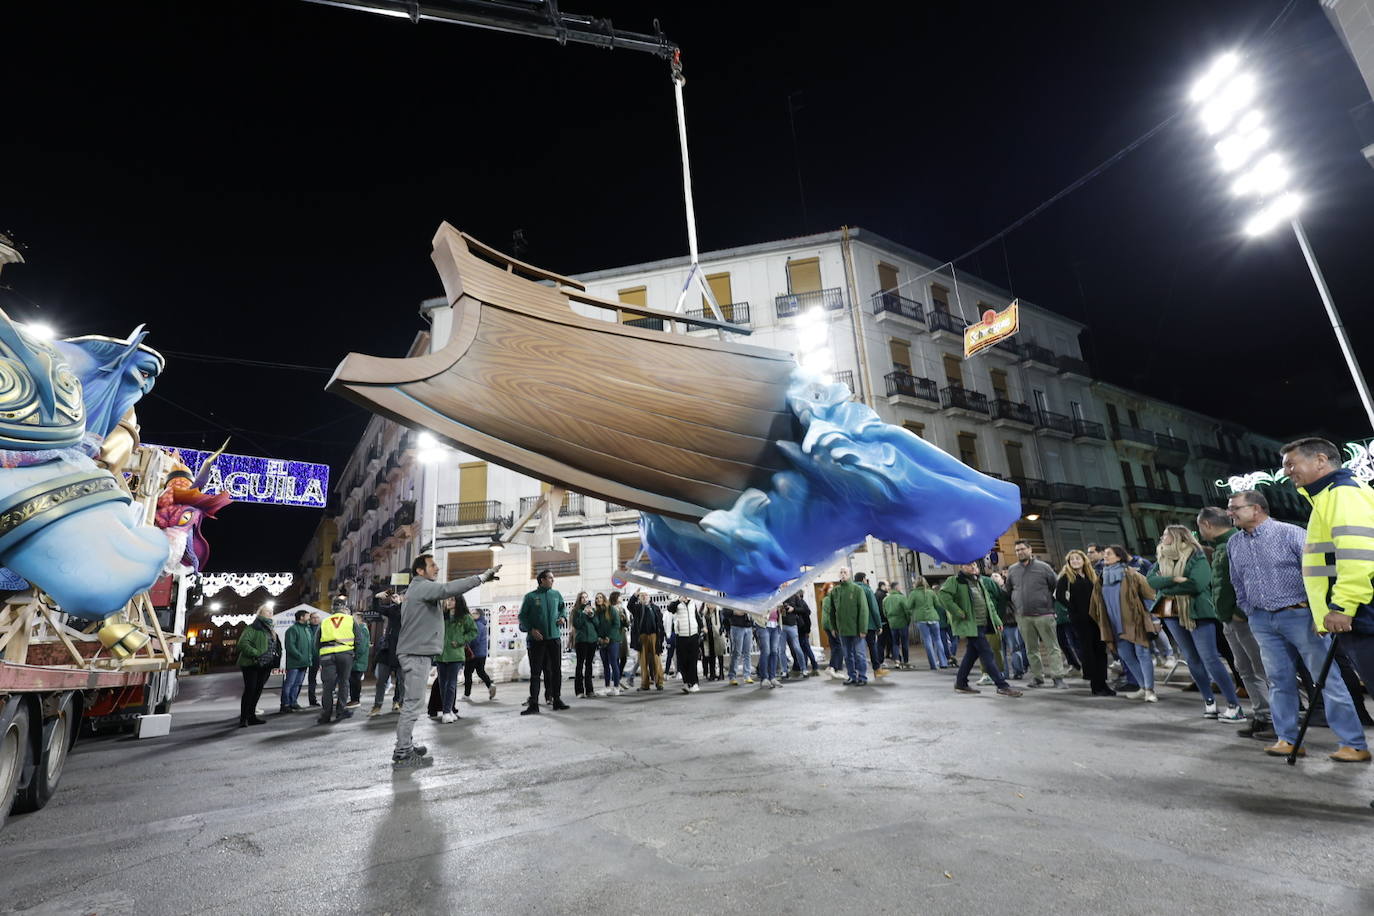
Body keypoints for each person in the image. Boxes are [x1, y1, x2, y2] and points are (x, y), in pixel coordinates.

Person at [1227, 484, 1369, 760]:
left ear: (1256, 509)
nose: (1229, 512)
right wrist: (1249, 609)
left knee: (1326, 679)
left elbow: (1322, 573)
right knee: (1278, 681)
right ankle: (1288, 739)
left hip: (1300, 615)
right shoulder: (1235, 543)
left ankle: (1353, 744)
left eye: (1235, 508)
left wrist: (1320, 611)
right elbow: (1237, 581)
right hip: (1262, 620)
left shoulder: (1291, 534)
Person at [1280, 439, 1374, 761]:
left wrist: (1342, 608)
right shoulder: (1329, 497)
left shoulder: (1341, 495)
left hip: (1363, 611)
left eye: (1292, 464)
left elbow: (1358, 556)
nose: (1287, 471)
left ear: (1321, 460)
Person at [393, 554, 498, 769]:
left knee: (414, 703)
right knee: (412, 704)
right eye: (432, 565)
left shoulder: (418, 590)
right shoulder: (421, 586)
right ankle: (402, 753)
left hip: (417, 653)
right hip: (415, 654)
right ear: (420, 571)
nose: (437, 568)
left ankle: (406, 746)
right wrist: (480, 578)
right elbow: (448, 589)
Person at [1146, 525, 1246, 721]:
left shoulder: (1196, 555)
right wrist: (1175, 578)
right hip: (1172, 613)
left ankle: (1234, 705)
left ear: (1177, 537)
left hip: (1198, 613)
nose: (1162, 536)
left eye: (1165, 534)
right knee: (1192, 659)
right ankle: (1209, 702)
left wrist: (1166, 585)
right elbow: (1151, 581)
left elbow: (1198, 584)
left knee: (1210, 658)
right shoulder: (1161, 558)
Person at [1197, 505, 1272, 738]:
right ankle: (1262, 716)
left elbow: (1252, 576)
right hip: (1230, 619)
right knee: (1245, 669)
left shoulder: (1237, 542)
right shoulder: (1223, 545)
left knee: (1262, 670)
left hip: (1243, 618)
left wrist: (1241, 610)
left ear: (1207, 524)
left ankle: (1277, 719)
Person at [938, 563, 1021, 697]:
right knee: (987, 653)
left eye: (974, 564)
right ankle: (1002, 685)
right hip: (972, 624)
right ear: (961, 567)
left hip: (982, 623)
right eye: (968, 565)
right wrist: (958, 612)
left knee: (971, 654)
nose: (972, 567)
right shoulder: (954, 581)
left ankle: (961, 683)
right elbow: (943, 596)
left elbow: (988, 604)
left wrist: (997, 620)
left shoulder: (979, 581)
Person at [1089, 545, 1159, 702]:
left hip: (1135, 622)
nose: (1105, 556)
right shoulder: (1101, 578)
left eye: (1109, 554)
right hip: (1115, 625)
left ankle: (1150, 690)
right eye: (1105, 554)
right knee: (1126, 656)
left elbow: (1149, 596)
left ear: (1119, 557)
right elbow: (1097, 604)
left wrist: (1154, 619)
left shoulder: (1132, 574)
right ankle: (1142, 686)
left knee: (1142, 654)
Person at [1005, 540, 1068, 688]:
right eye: (1017, 550)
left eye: (1022, 549)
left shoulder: (1044, 567)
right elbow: (1008, 591)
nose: (1020, 552)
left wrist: (1048, 604)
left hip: (1044, 614)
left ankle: (1058, 677)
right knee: (1031, 649)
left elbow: (1055, 586)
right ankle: (1038, 677)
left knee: (1052, 647)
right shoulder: (1013, 570)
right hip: (1023, 616)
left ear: (1030, 549)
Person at [1056, 550, 1113, 695]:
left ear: (1084, 560)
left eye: (1078, 558)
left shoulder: (1091, 575)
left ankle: (1103, 682)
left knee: (1100, 649)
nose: (1075, 561)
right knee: (1089, 651)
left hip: (1096, 618)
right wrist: (1073, 609)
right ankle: (1096, 685)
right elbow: (1060, 596)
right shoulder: (1066, 578)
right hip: (1080, 620)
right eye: (1072, 559)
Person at [520, 569, 569, 715]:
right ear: (542, 580)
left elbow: (563, 609)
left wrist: (563, 618)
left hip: (554, 638)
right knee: (536, 673)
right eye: (550, 578)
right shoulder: (530, 597)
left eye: (553, 578)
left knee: (556, 671)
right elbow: (522, 616)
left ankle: (557, 700)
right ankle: (534, 704)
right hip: (537, 641)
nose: (553, 580)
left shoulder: (556, 595)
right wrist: (531, 630)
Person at [430, 597, 476, 723]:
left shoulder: (465, 617)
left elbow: (473, 632)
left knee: (451, 684)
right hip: (441, 655)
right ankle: (448, 710)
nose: (448, 602)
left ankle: (446, 712)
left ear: (459, 602)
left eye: (452, 600)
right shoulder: (441, 616)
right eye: (448, 600)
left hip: (455, 655)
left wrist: (461, 641)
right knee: (442, 685)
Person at [236, 605, 280, 727]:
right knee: (250, 690)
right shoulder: (253, 627)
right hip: (252, 664)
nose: (270, 613)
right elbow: (242, 644)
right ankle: (243, 718)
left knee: (257, 691)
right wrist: (256, 654)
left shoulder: (270, 628)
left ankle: (251, 716)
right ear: (260, 613)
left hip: (265, 665)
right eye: (267, 611)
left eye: (271, 611)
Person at [316, 596, 356, 724]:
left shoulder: (325, 621)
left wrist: (320, 656)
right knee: (344, 683)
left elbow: (316, 642)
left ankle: (326, 714)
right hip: (345, 655)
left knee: (327, 687)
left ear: (332, 608)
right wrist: (355, 655)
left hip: (327, 655)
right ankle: (340, 711)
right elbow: (359, 640)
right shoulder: (350, 620)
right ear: (344, 608)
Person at [370, 593, 405, 716]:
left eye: (401, 596)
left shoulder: (409, 609)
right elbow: (377, 609)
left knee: (401, 681)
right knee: (381, 681)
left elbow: (405, 616)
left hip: (402, 651)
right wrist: (377, 598)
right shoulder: (392, 609)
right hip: (387, 650)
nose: (397, 597)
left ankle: (398, 703)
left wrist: (400, 604)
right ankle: (377, 706)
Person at [908, 577, 946, 670]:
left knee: (927, 640)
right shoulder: (931, 592)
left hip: (921, 619)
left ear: (916, 584)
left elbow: (909, 606)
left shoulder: (913, 593)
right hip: (933, 617)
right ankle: (943, 663)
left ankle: (933, 665)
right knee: (938, 640)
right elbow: (937, 605)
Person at [853, 572, 887, 678]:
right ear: (864, 579)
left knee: (858, 649)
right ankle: (877, 670)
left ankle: (858, 672)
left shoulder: (852, 590)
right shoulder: (867, 590)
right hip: (869, 624)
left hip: (855, 625)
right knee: (872, 647)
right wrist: (879, 625)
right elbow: (874, 608)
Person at [632, 591, 666, 692]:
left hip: (654, 636)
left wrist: (661, 638)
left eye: (646, 595)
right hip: (642, 637)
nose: (644, 597)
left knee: (657, 660)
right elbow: (630, 606)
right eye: (642, 596)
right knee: (643, 661)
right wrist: (634, 596)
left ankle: (659, 683)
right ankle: (645, 685)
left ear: (649, 598)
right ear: (640, 599)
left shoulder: (655, 608)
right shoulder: (637, 608)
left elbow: (660, 624)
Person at [280, 608, 313, 713]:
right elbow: (290, 646)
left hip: (304, 662)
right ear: (302, 617)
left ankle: (293, 702)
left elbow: (310, 645)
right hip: (294, 663)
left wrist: (309, 657)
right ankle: (285, 704)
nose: (309, 618)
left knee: (298, 684)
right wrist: (300, 656)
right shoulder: (292, 629)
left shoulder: (307, 629)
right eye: (308, 616)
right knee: (289, 683)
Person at [668, 599, 703, 693]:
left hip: (693, 635)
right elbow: (670, 608)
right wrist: (678, 601)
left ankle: (694, 683)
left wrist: (702, 626)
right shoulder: (677, 603)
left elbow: (696, 616)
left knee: (693, 660)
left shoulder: (693, 603)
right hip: (681, 636)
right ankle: (686, 682)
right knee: (683, 661)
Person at [595, 592, 625, 695]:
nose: (598, 599)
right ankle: (607, 687)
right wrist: (599, 638)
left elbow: (616, 624)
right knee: (605, 665)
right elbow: (596, 627)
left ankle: (616, 687)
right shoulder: (597, 612)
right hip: (602, 642)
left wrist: (608, 637)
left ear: (604, 598)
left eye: (600, 597)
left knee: (614, 663)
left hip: (613, 641)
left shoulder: (611, 609)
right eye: (596, 598)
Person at [571, 592, 600, 698]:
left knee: (589, 665)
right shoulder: (576, 611)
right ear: (579, 599)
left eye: (585, 597)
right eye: (582, 597)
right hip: (581, 641)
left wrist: (592, 615)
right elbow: (577, 624)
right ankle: (579, 691)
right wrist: (583, 614)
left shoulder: (592, 610)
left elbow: (597, 624)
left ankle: (589, 690)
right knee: (579, 665)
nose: (584, 599)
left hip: (592, 640)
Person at [464, 605, 496, 701]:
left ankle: (466, 695)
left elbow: (474, 640)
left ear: (479, 615)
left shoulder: (476, 625)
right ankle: (490, 685)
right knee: (480, 671)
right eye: (471, 613)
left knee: (467, 673)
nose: (472, 614)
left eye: (474, 613)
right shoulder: (482, 624)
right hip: (482, 654)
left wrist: (466, 644)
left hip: (474, 654)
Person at [786, 592, 820, 676]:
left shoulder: (801, 602)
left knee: (805, 648)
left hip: (802, 629)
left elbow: (807, 613)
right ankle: (799, 666)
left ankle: (814, 666)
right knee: (802, 648)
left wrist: (807, 630)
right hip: (801, 628)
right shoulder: (800, 602)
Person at [883, 582, 912, 670]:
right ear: (896, 588)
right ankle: (906, 661)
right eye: (899, 587)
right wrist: (908, 621)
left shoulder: (886, 599)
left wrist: (890, 619)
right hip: (902, 622)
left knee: (895, 643)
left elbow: (885, 613)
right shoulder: (902, 598)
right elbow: (907, 611)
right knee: (904, 643)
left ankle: (897, 661)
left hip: (892, 623)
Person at [779, 595, 808, 678]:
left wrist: (793, 609)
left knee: (797, 648)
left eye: (785, 583)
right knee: (781, 650)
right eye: (782, 584)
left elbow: (803, 609)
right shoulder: (777, 596)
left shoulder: (794, 596)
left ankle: (804, 669)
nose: (784, 584)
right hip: (781, 626)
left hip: (792, 625)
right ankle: (784, 671)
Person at [725, 606, 755, 685]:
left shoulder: (748, 598)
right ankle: (732, 676)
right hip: (736, 627)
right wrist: (734, 612)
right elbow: (724, 612)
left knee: (747, 653)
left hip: (748, 627)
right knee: (736, 652)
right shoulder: (731, 597)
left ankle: (747, 675)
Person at [700, 602, 728, 681]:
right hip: (709, 636)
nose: (710, 605)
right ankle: (712, 674)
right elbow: (702, 624)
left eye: (711, 603)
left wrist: (721, 631)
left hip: (718, 635)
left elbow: (723, 622)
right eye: (708, 603)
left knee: (720, 655)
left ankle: (721, 673)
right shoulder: (705, 613)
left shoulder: (719, 612)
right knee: (711, 656)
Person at [349, 611, 370, 708]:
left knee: (355, 681)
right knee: (353, 680)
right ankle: (354, 699)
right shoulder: (360, 628)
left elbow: (361, 647)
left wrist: (354, 656)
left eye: (354, 618)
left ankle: (355, 700)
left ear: (360, 619)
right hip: (357, 661)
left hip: (358, 661)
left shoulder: (362, 629)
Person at [306, 612, 322, 707]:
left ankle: (316, 700)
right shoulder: (306, 628)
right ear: (310, 619)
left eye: (317, 617)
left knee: (316, 680)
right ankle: (311, 700)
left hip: (319, 657)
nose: (315, 619)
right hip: (307, 656)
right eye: (313, 618)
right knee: (311, 679)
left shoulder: (323, 628)